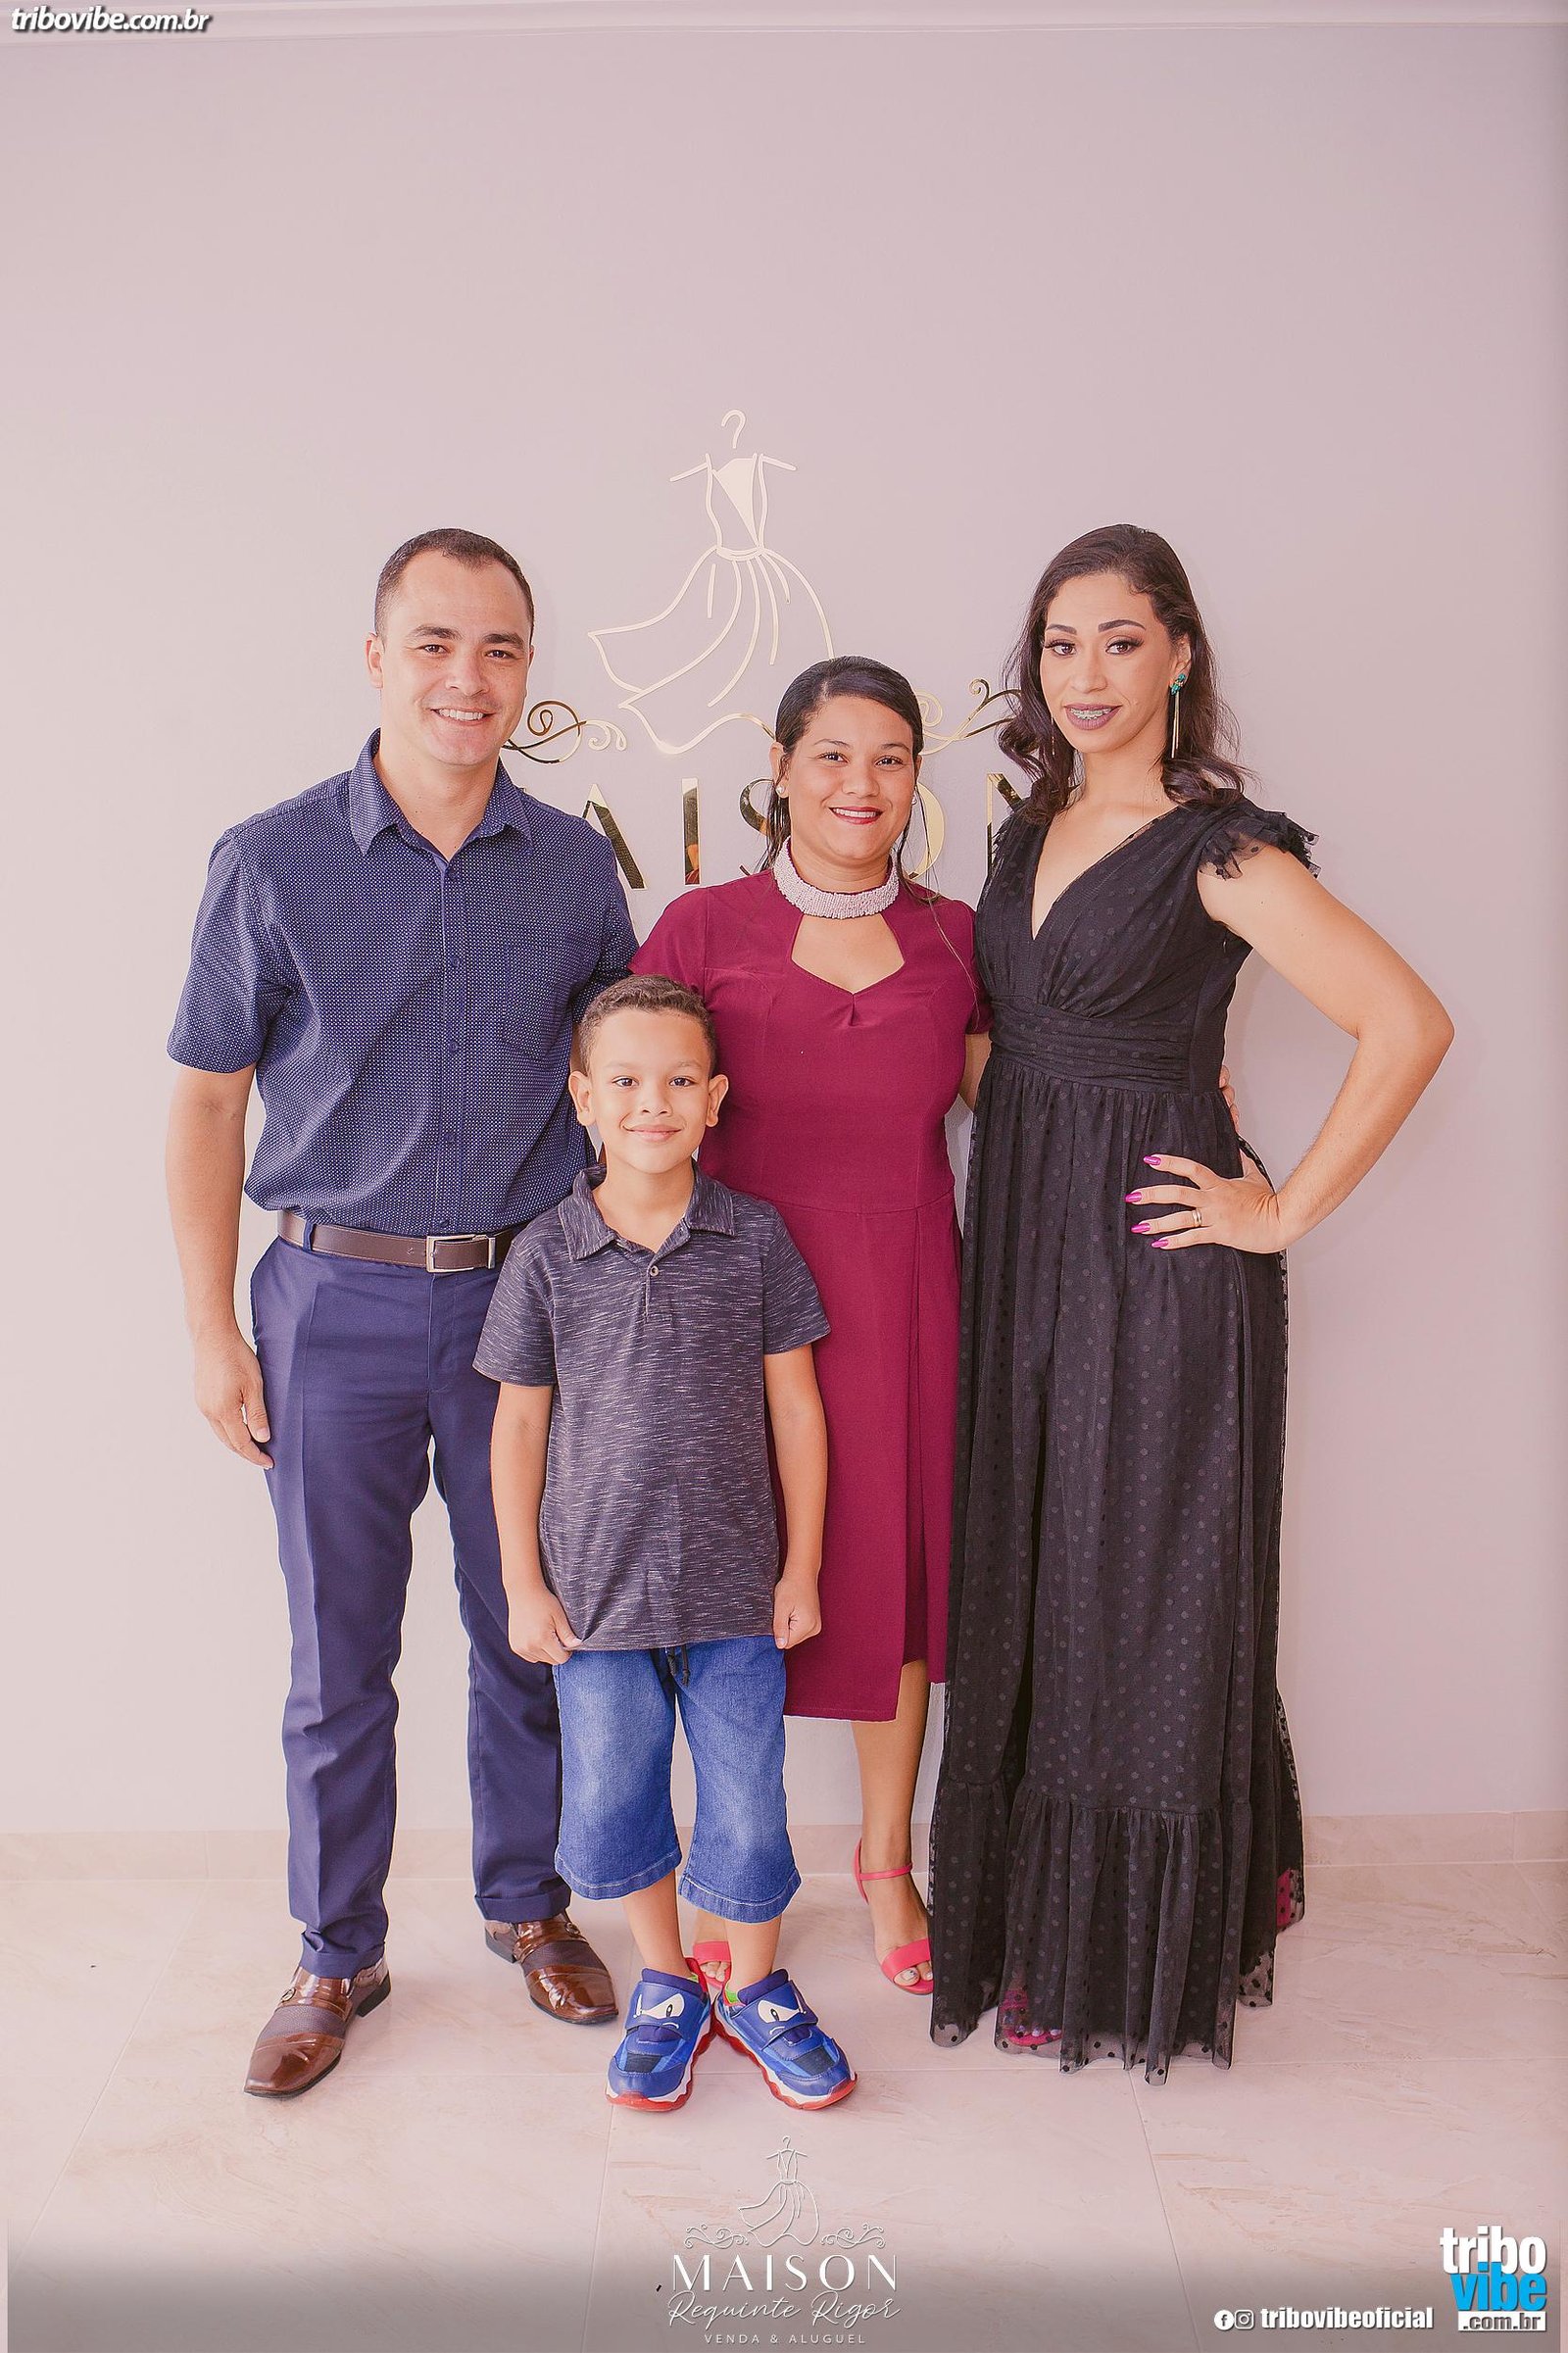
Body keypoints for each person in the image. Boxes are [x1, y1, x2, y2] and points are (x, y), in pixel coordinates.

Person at [928, 523, 1453, 2079]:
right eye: (1060, 643)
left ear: (1177, 657)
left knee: (1138, 1598)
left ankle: (1130, 1965)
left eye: (1119, 640)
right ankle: (1034, 1933)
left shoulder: (1219, 849)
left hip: (1157, 1273)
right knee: (1031, 1576)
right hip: (1024, 1260)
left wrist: (1274, 1210)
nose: (1085, 673)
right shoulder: (1021, 837)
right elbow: (1008, 1048)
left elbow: (1407, 1024)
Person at [166, 527, 634, 2099]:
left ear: (528, 670)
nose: (467, 677)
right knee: (336, 1654)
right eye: (435, 643)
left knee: (530, 1630)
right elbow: (207, 1102)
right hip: (330, 1302)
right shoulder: (269, 859)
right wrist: (212, 1329)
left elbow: (622, 1080)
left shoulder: (571, 867)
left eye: (499, 648)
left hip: (524, 1304)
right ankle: (335, 1947)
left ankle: (529, 1903)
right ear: (377, 659)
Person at [632, 656, 989, 1997]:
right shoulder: (700, 927)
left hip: (903, 1298)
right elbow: (628, 1098)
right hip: (729, 1303)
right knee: (728, 1586)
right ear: (780, 768)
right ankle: (735, 1868)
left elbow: (1034, 1097)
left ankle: (888, 1858)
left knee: (895, 1573)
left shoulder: (959, 938)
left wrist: (1185, 1077)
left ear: (916, 780)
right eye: (832, 753)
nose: (861, 782)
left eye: (890, 757)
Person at [477, 976, 857, 2112]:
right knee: (615, 1797)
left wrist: (800, 1566)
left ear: (714, 1099)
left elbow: (797, 1408)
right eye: (628, 1081)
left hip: (736, 1592)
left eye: (680, 1080)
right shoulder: (546, 1253)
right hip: (594, 1601)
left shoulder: (754, 1239)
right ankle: (665, 1982)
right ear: (583, 1098)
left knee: (746, 1802)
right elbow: (518, 1425)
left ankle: (755, 1984)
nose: (654, 1102)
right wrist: (522, 1583)